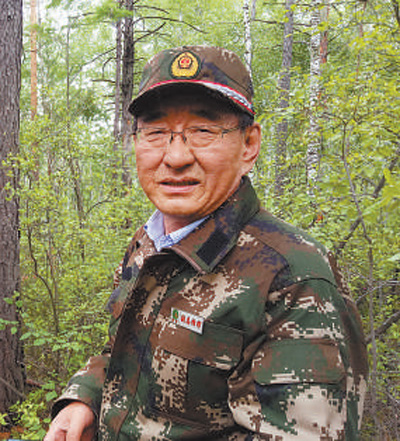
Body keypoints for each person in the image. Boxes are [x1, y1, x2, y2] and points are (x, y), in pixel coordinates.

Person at [44, 46, 368, 441]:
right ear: (135, 141)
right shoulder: (149, 245)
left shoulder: (293, 277)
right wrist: (84, 398)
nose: (176, 156)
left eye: (203, 131)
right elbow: (123, 354)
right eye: (156, 132)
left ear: (249, 145)